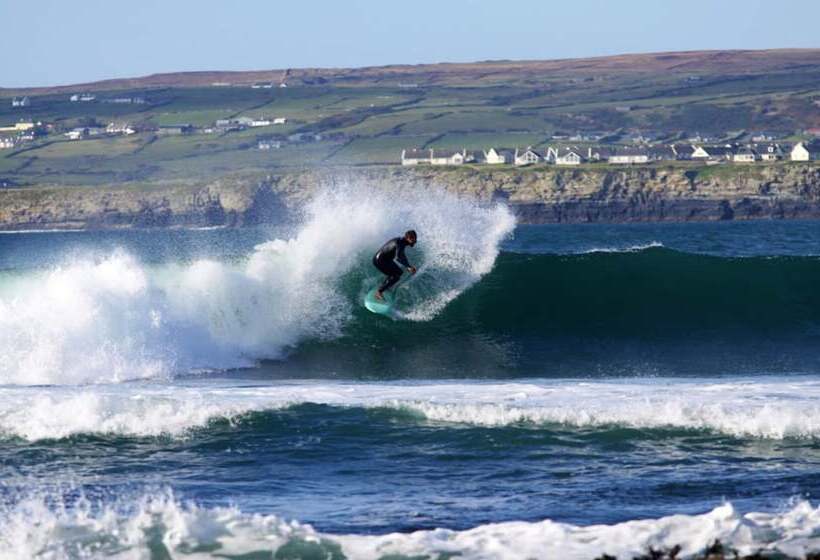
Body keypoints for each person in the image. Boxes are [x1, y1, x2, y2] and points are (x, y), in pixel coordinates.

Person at [372, 230, 417, 300]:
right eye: (413, 239)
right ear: (408, 238)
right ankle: (379, 292)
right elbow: (398, 258)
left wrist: (408, 266)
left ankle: (384, 286)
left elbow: (402, 255)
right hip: (379, 261)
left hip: (385, 260)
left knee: (399, 272)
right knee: (396, 276)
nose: (414, 241)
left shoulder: (402, 241)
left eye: (415, 239)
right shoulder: (400, 243)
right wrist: (408, 266)